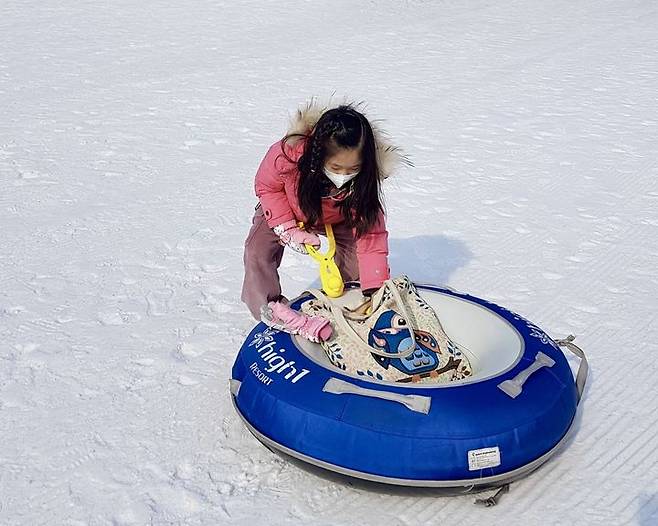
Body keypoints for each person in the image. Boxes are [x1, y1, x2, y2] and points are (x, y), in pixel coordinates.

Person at [241, 100, 407, 341]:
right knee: (257, 250)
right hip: (285, 208)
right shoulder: (288, 156)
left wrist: (374, 286)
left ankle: (343, 306)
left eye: (353, 169)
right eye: (336, 167)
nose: (343, 175)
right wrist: (286, 228)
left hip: (338, 217)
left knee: (356, 270)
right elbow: (267, 187)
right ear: (318, 156)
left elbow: (371, 235)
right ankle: (270, 306)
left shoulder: (363, 184)